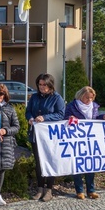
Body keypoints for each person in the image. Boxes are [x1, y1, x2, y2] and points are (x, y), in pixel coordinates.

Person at [64, 86, 105, 200]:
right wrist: (70, 118)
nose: (89, 100)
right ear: (81, 96)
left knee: (90, 164)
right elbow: (64, 118)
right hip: (76, 139)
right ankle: (79, 190)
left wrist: (103, 117)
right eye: (87, 98)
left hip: (90, 139)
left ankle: (91, 190)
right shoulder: (71, 106)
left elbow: (94, 118)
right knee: (78, 164)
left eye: (91, 98)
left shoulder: (94, 106)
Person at [26, 73, 65, 202]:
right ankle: (40, 188)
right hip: (36, 135)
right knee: (39, 162)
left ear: (50, 85)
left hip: (50, 136)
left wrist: (45, 118)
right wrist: (30, 118)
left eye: (44, 85)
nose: (42, 87)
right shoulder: (34, 97)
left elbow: (60, 114)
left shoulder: (57, 98)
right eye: (40, 84)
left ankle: (49, 189)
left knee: (50, 161)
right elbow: (28, 111)